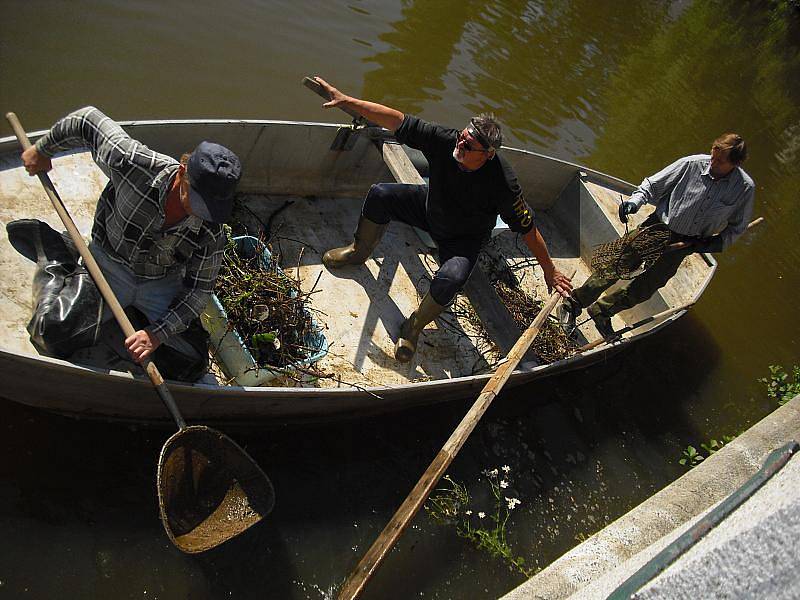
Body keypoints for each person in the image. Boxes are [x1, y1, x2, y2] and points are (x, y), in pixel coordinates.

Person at [311, 76, 572, 362]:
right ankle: (358, 251)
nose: (461, 144)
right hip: (429, 209)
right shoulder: (447, 142)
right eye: (462, 136)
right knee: (380, 194)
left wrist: (550, 270)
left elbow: (528, 229)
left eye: (469, 145)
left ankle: (413, 327)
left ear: (488, 154)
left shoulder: (503, 184)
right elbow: (399, 121)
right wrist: (348, 101)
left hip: (463, 239)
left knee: (452, 277)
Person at [12, 106, 241, 376]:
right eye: (198, 200)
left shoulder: (212, 229)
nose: (202, 213)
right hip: (109, 264)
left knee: (192, 365)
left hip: (159, 283)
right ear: (182, 172)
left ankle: (132, 315)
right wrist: (43, 150)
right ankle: (57, 255)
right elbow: (87, 120)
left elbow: (198, 291)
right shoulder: (134, 163)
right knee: (50, 334)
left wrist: (156, 334)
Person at [557, 133, 755, 338]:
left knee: (647, 287)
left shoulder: (744, 188)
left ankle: (602, 312)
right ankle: (572, 304)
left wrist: (714, 243)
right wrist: (634, 202)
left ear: (735, 164)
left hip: (687, 243)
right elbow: (652, 185)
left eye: (720, 161)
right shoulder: (691, 164)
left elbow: (737, 228)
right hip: (656, 228)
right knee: (616, 266)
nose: (713, 162)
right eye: (713, 155)